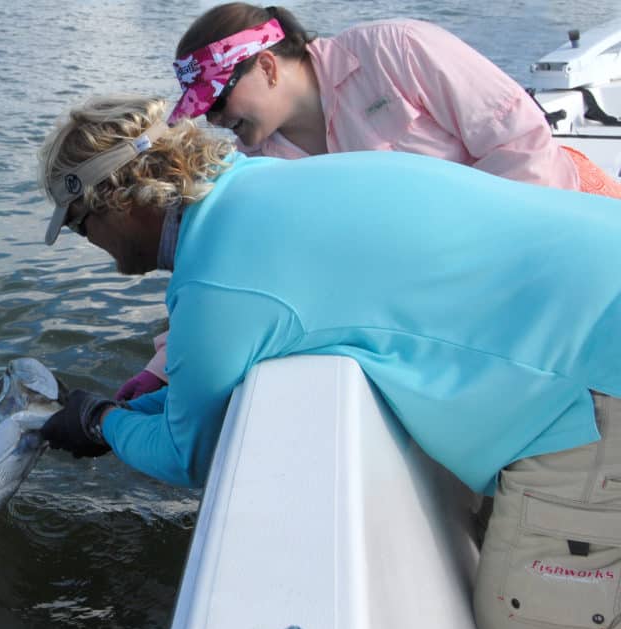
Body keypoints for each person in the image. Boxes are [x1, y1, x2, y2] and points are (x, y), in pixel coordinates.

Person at [37, 94, 621, 629]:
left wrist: (99, 422)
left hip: (593, 370)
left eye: (81, 224)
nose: (89, 243)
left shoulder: (216, 278)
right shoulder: (261, 183)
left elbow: (185, 454)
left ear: (118, 201)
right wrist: (156, 396)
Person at [116, 4, 621, 401]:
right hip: (461, 305)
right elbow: (243, 271)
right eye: (204, 112)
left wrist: (492, 273)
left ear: (267, 66)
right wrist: (163, 367)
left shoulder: (397, 50)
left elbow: (522, 143)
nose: (215, 121)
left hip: (567, 235)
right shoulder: (262, 165)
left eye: (218, 101)